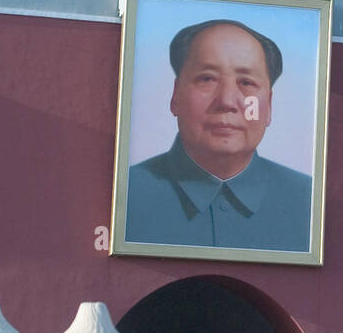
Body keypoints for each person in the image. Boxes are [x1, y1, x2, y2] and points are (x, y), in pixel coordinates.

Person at [125, 20, 312, 252]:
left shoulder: (309, 203)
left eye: (246, 83)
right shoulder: (126, 194)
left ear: (269, 106)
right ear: (175, 96)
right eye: (207, 79)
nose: (226, 101)